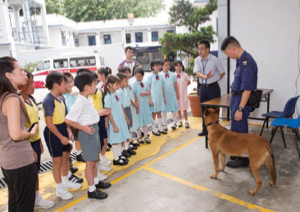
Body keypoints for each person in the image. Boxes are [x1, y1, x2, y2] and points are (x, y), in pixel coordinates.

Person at [65, 72, 111, 200]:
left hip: (93, 131)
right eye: (93, 84)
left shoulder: (87, 98)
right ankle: (91, 189)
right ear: (86, 87)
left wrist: (100, 112)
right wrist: (83, 128)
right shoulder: (80, 101)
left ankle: (96, 182)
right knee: (90, 163)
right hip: (88, 133)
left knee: (94, 159)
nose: (95, 86)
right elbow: (68, 119)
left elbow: (88, 114)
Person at [0, 56, 37, 212]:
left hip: (8, 161)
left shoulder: (3, 97)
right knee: (25, 206)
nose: (25, 74)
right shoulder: (11, 99)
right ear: (9, 75)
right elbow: (15, 134)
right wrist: (29, 134)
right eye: (20, 70)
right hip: (20, 161)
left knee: (15, 202)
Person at [43, 72, 82, 200]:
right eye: (64, 83)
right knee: (57, 162)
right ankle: (60, 189)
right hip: (54, 132)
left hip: (63, 129)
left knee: (66, 156)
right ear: (55, 85)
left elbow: (65, 117)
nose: (66, 85)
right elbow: (49, 123)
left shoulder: (62, 98)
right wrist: (60, 137)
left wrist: (69, 131)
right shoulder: (48, 100)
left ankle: (66, 181)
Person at [19, 71, 55, 209]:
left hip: (34, 141)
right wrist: (29, 147)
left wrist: (38, 140)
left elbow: (34, 122)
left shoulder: (31, 99)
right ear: (20, 86)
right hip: (24, 143)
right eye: (28, 84)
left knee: (36, 172)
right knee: (22, 177)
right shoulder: (18, 102)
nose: (32, 86)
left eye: (33, 82)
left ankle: (37, 198)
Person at [221, 36, 258, 168]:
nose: (227, 55)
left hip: (241, 101)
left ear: (233, 48)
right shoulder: (240, 61)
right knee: (236, 129)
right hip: (236, 99)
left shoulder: (246, 62)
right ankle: (238, 154)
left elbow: (247, 89)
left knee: (239, 132)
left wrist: (240, 109)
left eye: (227, 53)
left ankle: (242, 159)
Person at [193, 40, 226, 136]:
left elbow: (222, 72)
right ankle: (205, 129)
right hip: (203, 88)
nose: (199, 51)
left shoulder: (215, 60)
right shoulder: (197, 60)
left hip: (213, 88)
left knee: (214, 110)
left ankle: (216, 130)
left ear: (207, 49)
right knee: (205, 110)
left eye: (202, 48)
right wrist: (205, 77)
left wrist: (214, 79)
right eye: (198, 48)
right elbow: (197, 73)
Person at [104, 75, 130, 165]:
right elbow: (108, 112)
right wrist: (114, 125)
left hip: (120, 120)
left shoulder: (115, 94)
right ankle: (116, 159)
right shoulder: (108, 97)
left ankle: (119, 155)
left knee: (119, 138)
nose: (118, 86)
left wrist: (126, 117)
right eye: (116, 84)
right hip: (114, 121)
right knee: (115, 141)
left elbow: (121, 106)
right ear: (110, 84)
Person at [63, 73, 85, 163]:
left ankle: (79, 154)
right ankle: (68, 160)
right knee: (68, 141)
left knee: (78, 138)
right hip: (67, 122)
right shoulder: (63, 96)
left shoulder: (76, 94)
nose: (69, 84)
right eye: (66, 82)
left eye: (70, 82)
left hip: (77, 120)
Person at [119, 66, 141, 147]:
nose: (128, 74)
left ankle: (130, 141)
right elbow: (127, 98)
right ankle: (128, 144)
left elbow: (132, 94)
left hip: (131, 107)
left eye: (129, 73)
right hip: (129, 107)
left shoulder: (128, 84)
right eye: (126, 73)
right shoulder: (122, 88)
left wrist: (136, 99)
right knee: (128, 127)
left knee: (131, 125)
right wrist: (134, 104)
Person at [116, 72, 137, 157]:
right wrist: (126, 117)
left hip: (128, 109)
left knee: (128, 130)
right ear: (120, 82)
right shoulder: (118, 92)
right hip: (124, 111)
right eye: (125, 81)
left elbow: (128, 100)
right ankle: (122, 150)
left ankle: (127, 147)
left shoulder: (124, 90)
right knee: (123, 131)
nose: (127, 82)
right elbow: (121, 106)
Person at [146, 60, 167, 136]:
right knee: (153, 113)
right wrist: (150, 99)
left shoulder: (161, 75)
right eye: (156, 65)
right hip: (153, 98)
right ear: (152, 67)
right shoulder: (150, 76)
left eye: (159, 65)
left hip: (160, 97)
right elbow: (148, 89)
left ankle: (160, 128)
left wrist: (164, 97)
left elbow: (162, 87)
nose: (159, 67)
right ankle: (154, 129)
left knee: (159, 112)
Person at [131, 68, 152, 144]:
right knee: (138, 122)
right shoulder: (133, 84)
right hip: (139, 106)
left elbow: (149, 91)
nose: (139, 78)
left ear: (143, 76)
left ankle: (146, 136)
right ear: (134, 76)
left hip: (145, 105)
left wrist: (145, 93)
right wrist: (136, 99)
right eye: (137, 77)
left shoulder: (145, 82)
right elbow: (132, 94)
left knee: (145, 122)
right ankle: (139, 137)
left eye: (140, 76)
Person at [160, 59, 179, 131]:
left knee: (173, 109)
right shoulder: (160, 75)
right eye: (166, 65)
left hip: (172, 95)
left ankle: (175, 122)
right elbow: (161, 86)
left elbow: (175, 84)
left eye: (168, 64)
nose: (168, 66)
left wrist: (177, 92)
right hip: (164, 96)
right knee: (164, 110)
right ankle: (165, 124)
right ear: (162, 66)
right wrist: (163, 96)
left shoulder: (172, 74)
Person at [174, 61, 191, 128]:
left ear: (182, 67)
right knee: (178, 108)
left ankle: (186, 121)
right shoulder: (173, 75)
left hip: (183, 93)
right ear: (175, 67)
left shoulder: (184, 74)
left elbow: (189, 82)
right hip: (177, 94)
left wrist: (184, 86)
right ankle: (180, 120)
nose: (178, 67)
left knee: (184, 107)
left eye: (180, 66)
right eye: (177, 66)